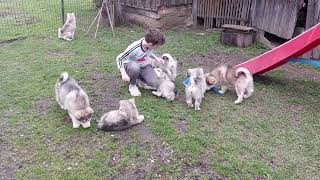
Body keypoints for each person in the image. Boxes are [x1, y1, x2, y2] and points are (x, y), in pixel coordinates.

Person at [116, 28, 166, 96]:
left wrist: (156, 58)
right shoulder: (134, 47)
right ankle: (132, 85)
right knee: (135, 67)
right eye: (157, 46)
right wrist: (123, 73)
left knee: (156, 83)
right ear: (150, 44)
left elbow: (147, 52)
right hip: (130, 66)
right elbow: (119, 58)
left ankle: (140, 79)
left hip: (143, 65)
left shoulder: (148, 45)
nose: (157, 47)